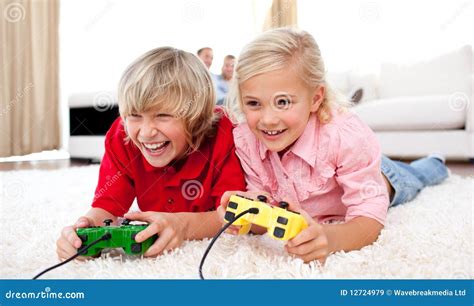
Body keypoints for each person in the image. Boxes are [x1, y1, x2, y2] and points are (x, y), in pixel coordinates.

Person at [219, 28, 449, 264]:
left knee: (418, 175)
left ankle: (435, 161)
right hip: (359, 162)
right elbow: (264, 210)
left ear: (316, 98)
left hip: (384, 177)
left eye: (283, 102)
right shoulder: (246, 139)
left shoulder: (345, 136)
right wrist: (246, 212)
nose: (267, 119)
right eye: (254, 103)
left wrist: (329, 239)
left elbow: (369, 218)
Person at [56, 47, 245, 260]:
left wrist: (182, 225)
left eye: (163, 115)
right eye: (134, 115)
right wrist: (86, 228)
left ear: (198, 116)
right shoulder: (121, 136)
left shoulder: (226, 135)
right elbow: (107, 207)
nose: (146, 132)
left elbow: (236, 216)